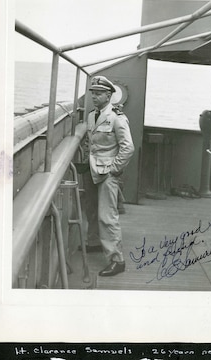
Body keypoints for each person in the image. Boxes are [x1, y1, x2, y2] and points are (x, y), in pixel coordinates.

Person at [82, 75, 134, 277]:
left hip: (107, 174)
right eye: (93, 93)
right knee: (92, 210)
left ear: (109, 95)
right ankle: (94, 242)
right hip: (92, 170)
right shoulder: (91, 116)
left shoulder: (117, 118)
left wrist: (114, 169)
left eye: (99, 93)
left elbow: (128, 148)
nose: (95, 97)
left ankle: (117, 260)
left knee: (107, 216)